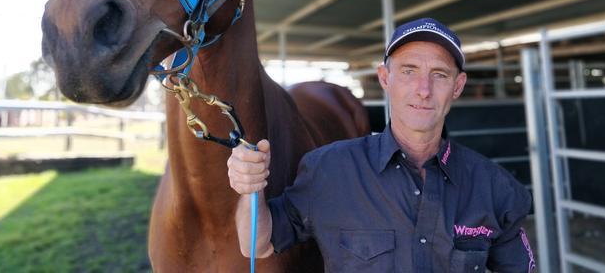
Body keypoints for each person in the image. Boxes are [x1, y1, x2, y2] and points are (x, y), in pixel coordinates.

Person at [227, 17, 536, 272]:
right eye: (408, 71)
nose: (423, 90)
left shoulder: (496, 189)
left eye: (439, 75)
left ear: (457, 86)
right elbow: (257, 244)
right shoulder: (328, 171)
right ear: (385, 78)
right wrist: (249, 191)